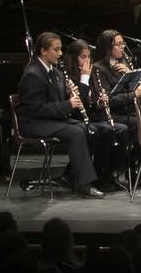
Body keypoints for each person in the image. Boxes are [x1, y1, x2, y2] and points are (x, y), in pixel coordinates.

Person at [15, 32, 106, 197]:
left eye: (60, 49)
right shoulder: (33, 74)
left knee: (90, 129)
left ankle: (72, 176)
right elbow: (35, 109)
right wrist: (67, 105)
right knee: (76, 133)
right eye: (56, 50)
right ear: (43, 51)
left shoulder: (55, 72)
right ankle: (83, 184)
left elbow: (58, 99)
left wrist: (70, 96)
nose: (60, 53)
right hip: (34, 123)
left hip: (51, 120)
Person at [63, 39, 130, 192]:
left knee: (122, 129)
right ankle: (98, 175)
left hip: (93, 118)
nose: (87, 61)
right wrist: (84, 79)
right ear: (74, 58)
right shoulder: (69, 76)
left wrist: (100, 102)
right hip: (76, 119)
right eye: (83, 57)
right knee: (106, 130)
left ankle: (108, 173)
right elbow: (80, 105)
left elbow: (92, 103)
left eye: (88, 57)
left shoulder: (92, 74)